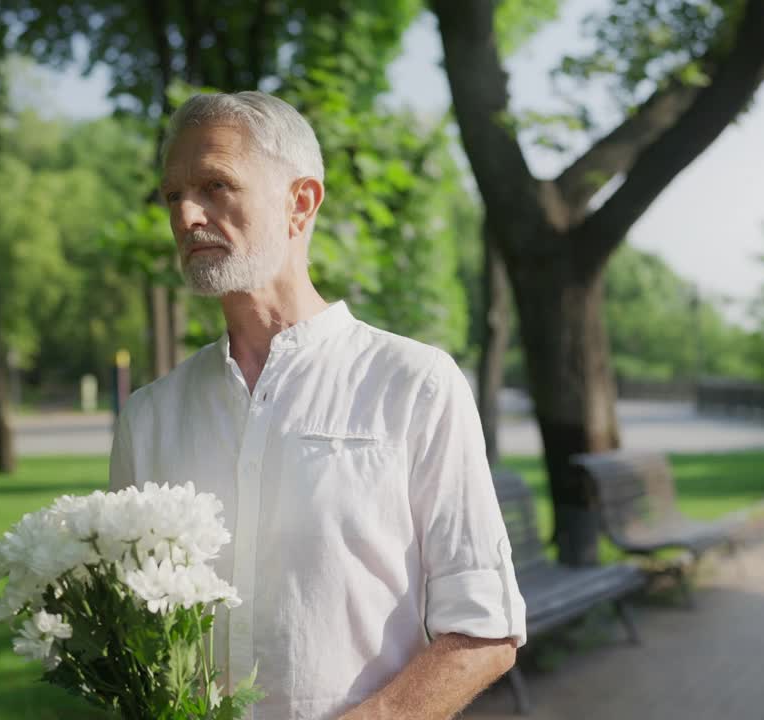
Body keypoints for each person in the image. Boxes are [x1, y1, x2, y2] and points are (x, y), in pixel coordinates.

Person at [108, 92, 525, 720]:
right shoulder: (149, 417)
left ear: (299, 203)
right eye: (173, 195)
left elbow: (484, 631)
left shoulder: (415, 385)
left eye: (216, 186)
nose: (187, 214)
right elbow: (127, 635)